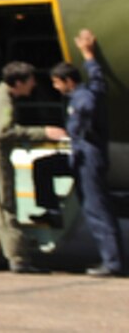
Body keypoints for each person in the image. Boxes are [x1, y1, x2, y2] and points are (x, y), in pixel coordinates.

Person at [0, 61, 66, 273]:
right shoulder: (3, 98)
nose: (33, 86)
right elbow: (6, 131)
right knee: (4, 204)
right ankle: (18, 258)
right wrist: (44, 132)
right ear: (19, 82)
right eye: (31, 82)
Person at [50, 31, 124, 277]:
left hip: (88, 157)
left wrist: (77, 129)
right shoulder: (92, 88)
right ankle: (111, 258)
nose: (55, 87)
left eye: (57, 83)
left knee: (96, 209)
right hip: (91, 155)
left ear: (68, 82)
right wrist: (88, 55)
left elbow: (88, 106)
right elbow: (97, 77)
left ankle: (111, 262)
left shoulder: (82, 98)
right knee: (99, 206)